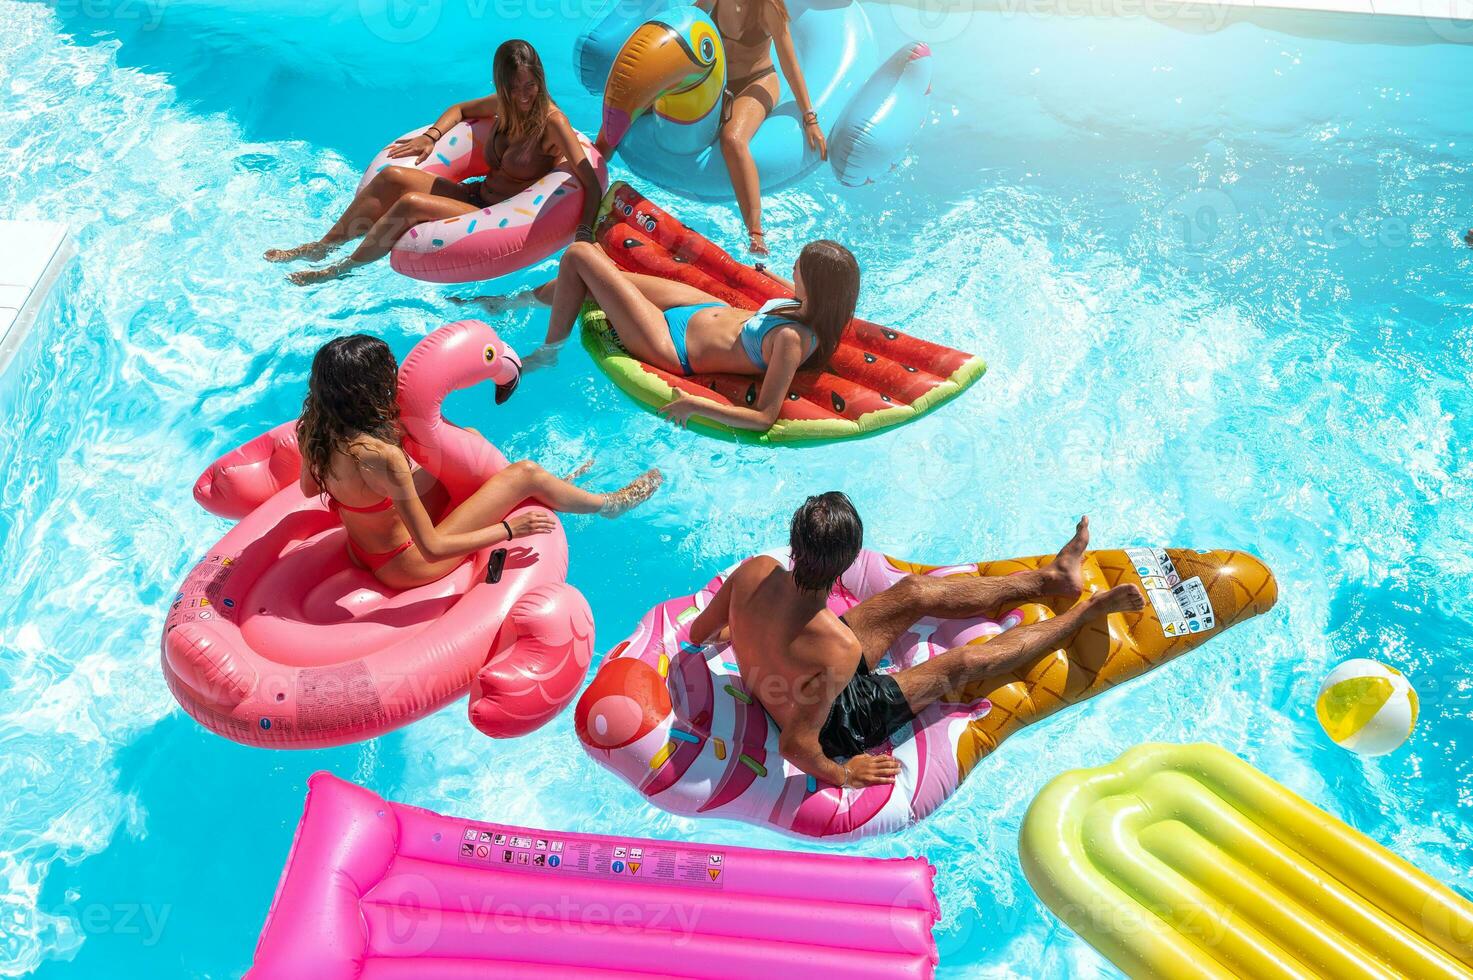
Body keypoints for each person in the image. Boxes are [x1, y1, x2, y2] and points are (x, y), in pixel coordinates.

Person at [687, 494, 1146, 788]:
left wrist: (747, 628)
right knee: (960, 663)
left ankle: (1053, 579)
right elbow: (795, 745)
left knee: (914, 592)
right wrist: (846, 772)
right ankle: (1087, 610)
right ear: (845, 565)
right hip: (832, 723)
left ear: (794, 540)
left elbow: (699, 632)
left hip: (808, 674)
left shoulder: (753, 573)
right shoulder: (836, 649)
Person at [295, 334, 661, 589]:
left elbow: (309, 489)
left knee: (468, 440)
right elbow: (432, 548)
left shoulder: (313, 429)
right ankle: (608, 504)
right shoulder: (381, 458)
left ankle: (557, 489)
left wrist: (373, 496)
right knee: (524, 474)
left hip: (362, 551)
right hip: (407, 563)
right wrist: (509, 531)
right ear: (372, 388)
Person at [266, 39, 601, 285]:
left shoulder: (552, 122)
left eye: (531, 85)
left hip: (496, 214)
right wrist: (432, 137)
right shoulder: (503, 105)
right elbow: (461, 110)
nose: (525, 95)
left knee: (410, 203)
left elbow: (589, 181)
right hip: (474, 196)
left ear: (540, 81)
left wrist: (584, 233)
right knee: (392, 177)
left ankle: (339, 271)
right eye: (516, 88)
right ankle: (322, 247)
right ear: (503, 85)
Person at [522, 238, 858, 432]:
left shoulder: (791, 340)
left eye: (799, 263)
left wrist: (700, 406)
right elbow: (811, 291)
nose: (794, 264)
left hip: (673, 343)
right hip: (701, 308)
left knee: (581, 255)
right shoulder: (811, 304)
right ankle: (512, 302)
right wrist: (766, 273)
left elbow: (764, 417)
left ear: (813, 283)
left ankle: (551, 349)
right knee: (598, 266)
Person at [695, 0, 826, 256]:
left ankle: (755, 231)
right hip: (719, 79)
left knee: (732, 139)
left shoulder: (768, 7)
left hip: (757, 80)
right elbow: (688, 23)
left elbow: (790, 65)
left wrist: (810, 118)